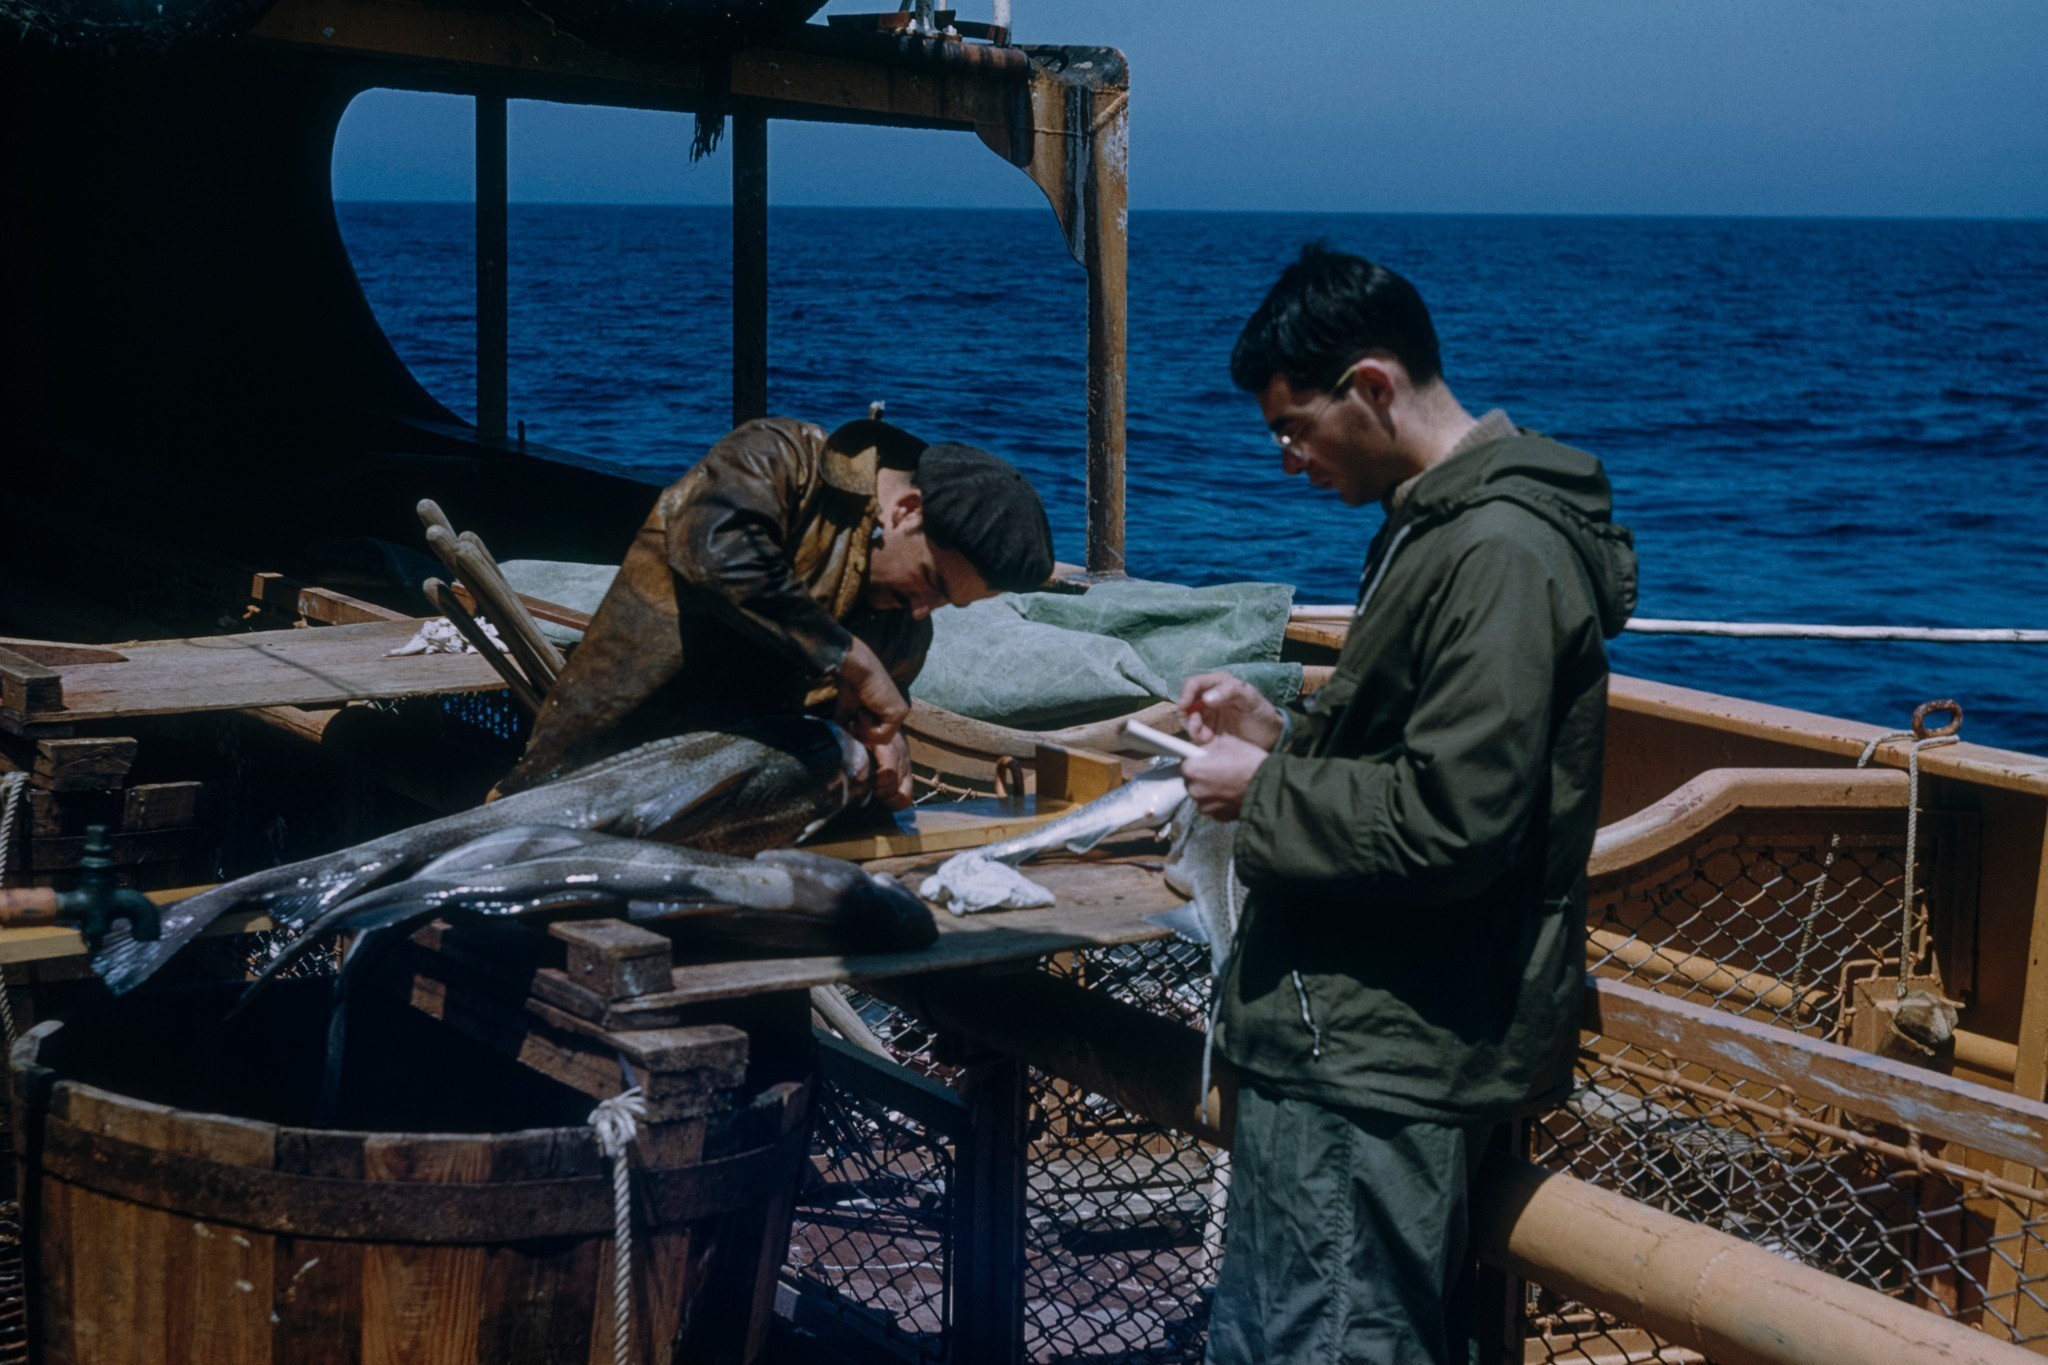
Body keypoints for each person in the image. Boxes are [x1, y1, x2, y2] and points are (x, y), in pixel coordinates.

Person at [1179, 244, 1637, 1364]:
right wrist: (1276, 740)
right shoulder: (1442, 527)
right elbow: (1427, 769)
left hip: (1380, 1066)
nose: (1286, 460)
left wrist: (1264, 791)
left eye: (1292, 427)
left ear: (1372, 387)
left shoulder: (1495, 550)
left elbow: (1454, 822)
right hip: (1363, 1040)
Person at [499, 415, 1055, 802]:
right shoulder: (778, 461)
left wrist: (885, 750)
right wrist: (847, 656)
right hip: (577, 784)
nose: (922, 611)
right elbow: (715, 555)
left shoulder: (905, 625)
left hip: (718, 830)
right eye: (930, 581)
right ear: (907, 509)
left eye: (946, 602)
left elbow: (857, 725)